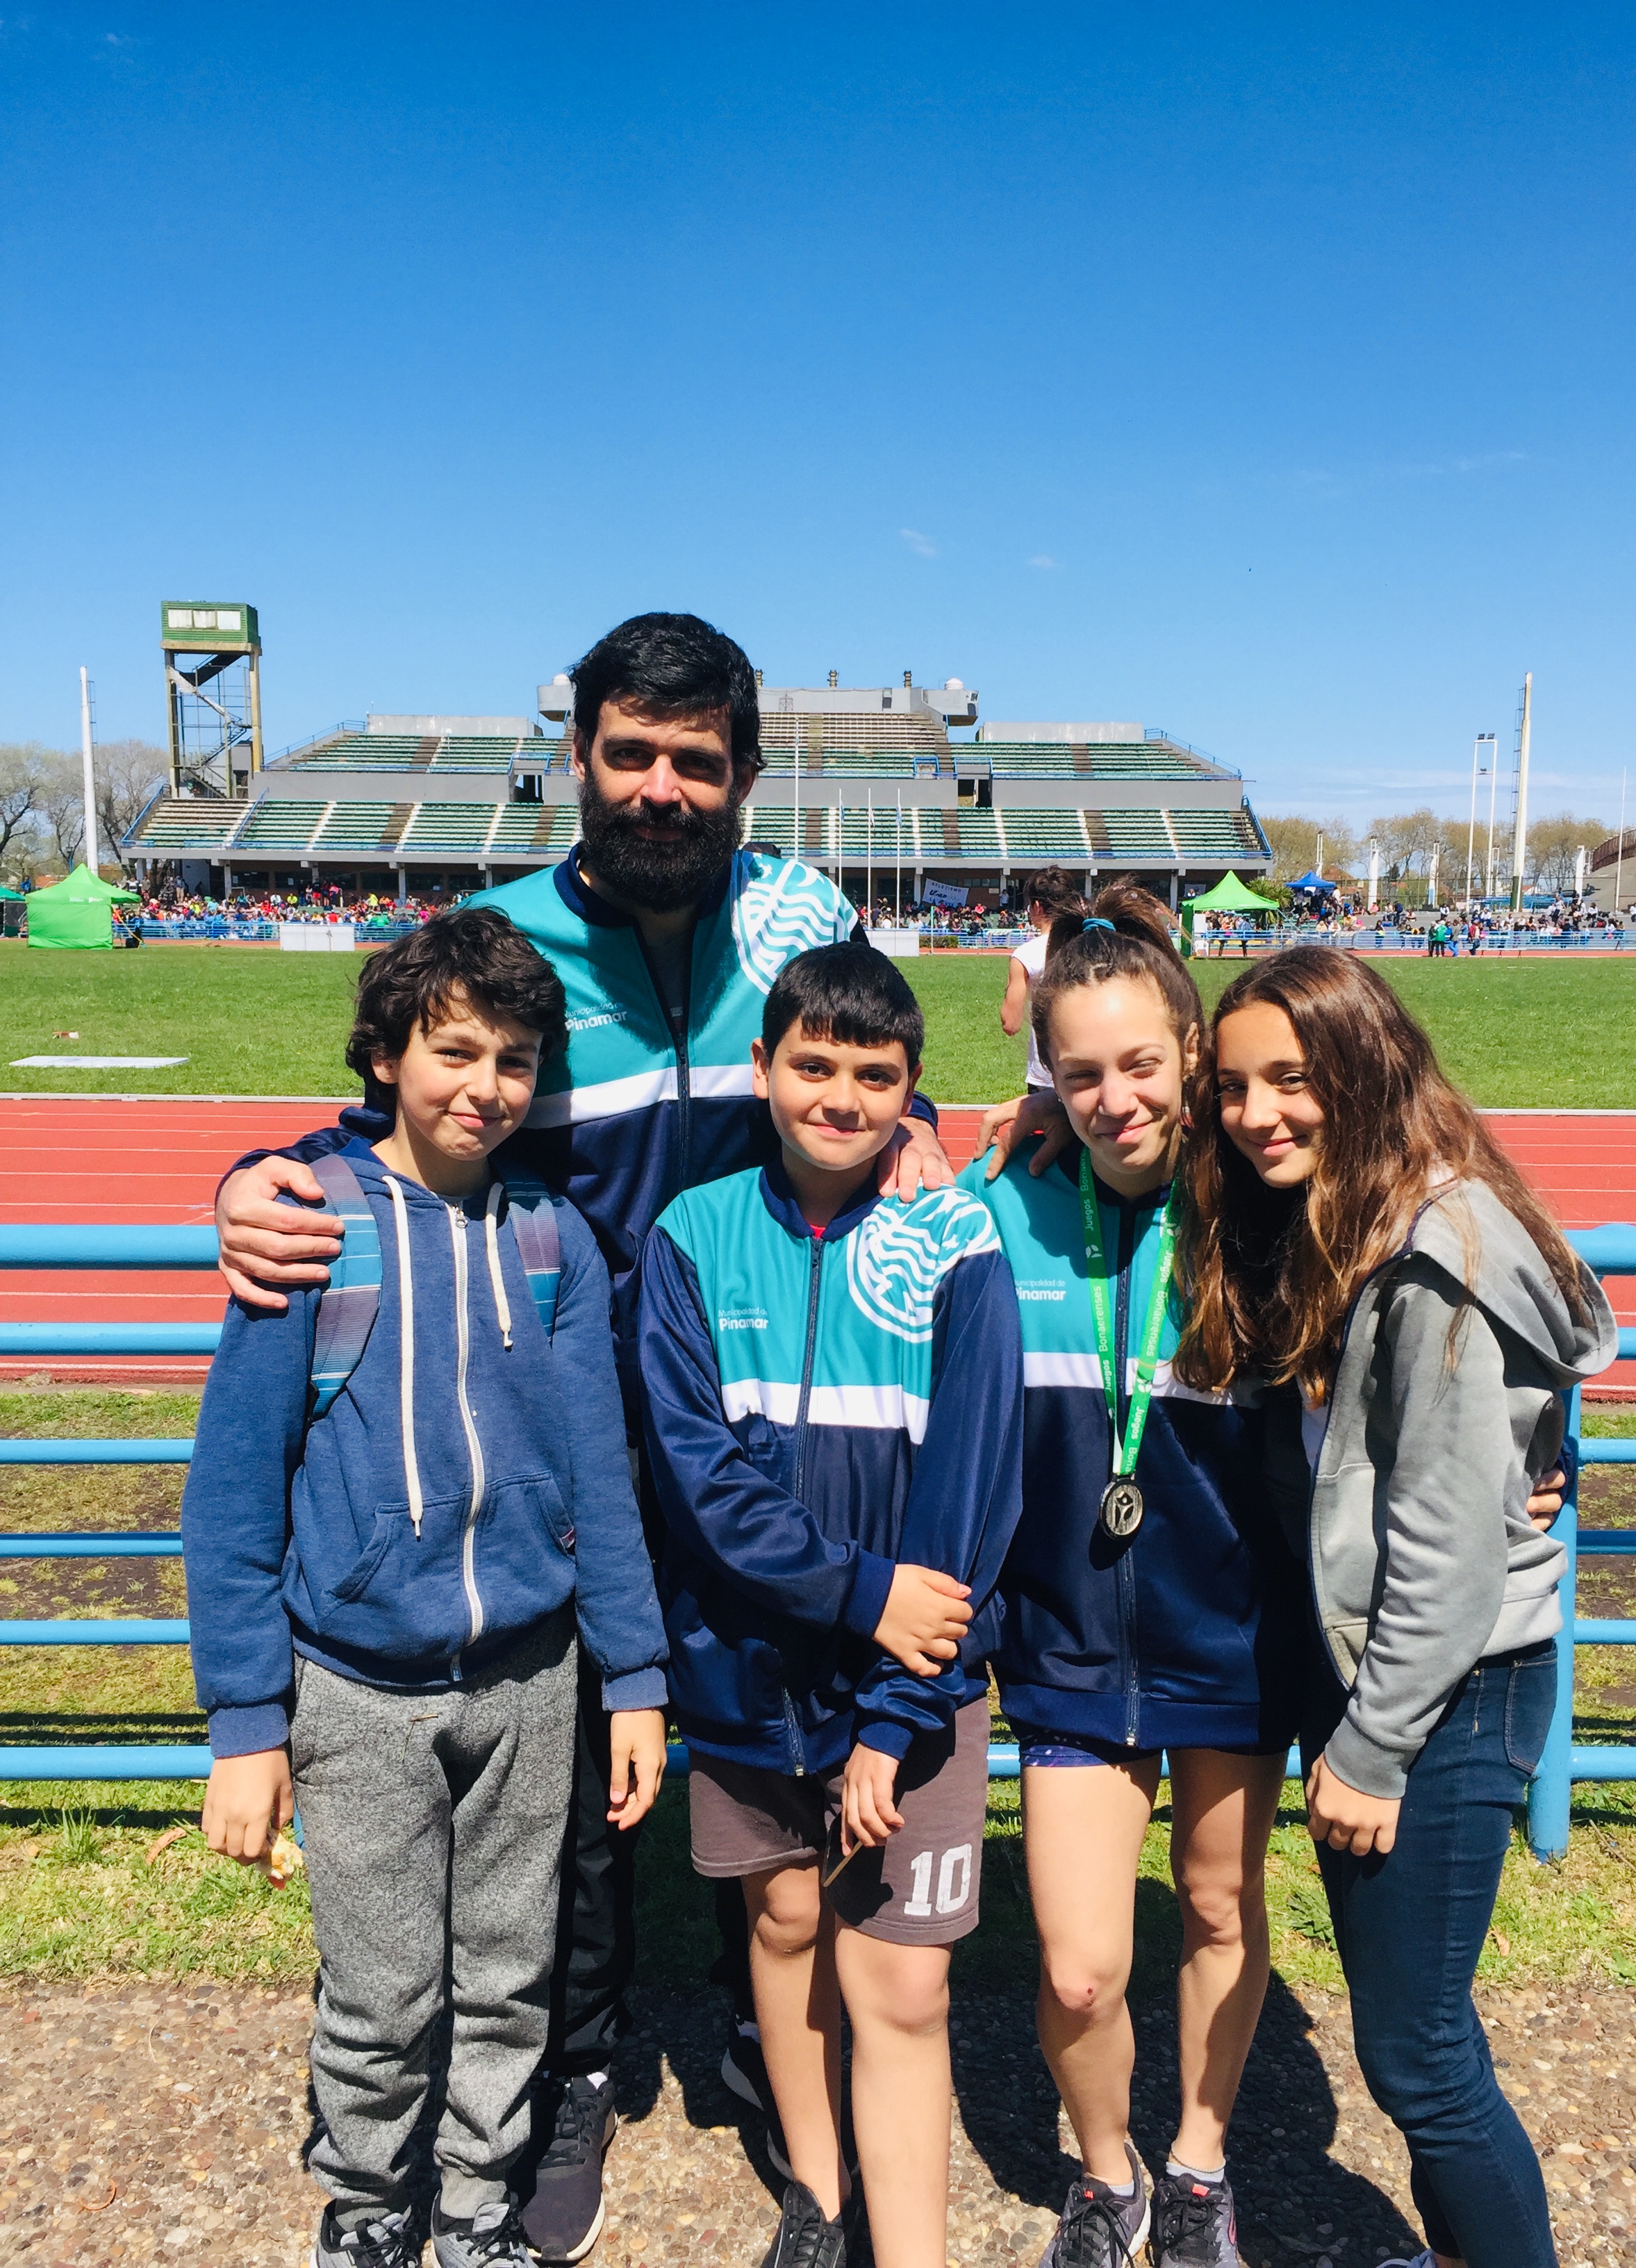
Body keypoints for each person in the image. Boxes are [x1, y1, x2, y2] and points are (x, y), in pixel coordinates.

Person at [209, 614, 952, 2261]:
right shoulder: (508, 932)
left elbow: (882, 1090)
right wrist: (250, 1177)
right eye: (631, 753)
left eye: (696, 759)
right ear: (582, 760)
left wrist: (977, 1133)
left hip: (774, 1429)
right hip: (577, 1436)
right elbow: (399, 1114)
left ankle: (791, 2088)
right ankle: (561, 2085)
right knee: (576, 1804)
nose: (662, 787)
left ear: (746, 774)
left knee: (797, 1739)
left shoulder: (802, 916)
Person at [183, 910, 670, 2268]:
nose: (486, 1086)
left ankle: (473, 2216)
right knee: (386, 1995)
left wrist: (631, 1680)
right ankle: (368, 2210)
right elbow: (231, 1498)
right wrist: (244, 1728)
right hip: (358, 1696)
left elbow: (598, 1479)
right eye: (454, 1050)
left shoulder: (551, 1240)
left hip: (529, 1685)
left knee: (511, 1982)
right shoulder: (312, 1226)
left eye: (515, 1060)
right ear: (387, 1056)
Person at [1175, 948, 1615, 2268]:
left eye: (1290, 1079)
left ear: (1361, 1068)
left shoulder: (1436, 1247)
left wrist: (1369, 1749)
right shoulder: (1351, 1214)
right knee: (1415, 2028)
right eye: (1236, 1085)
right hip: (1388, 1668)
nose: (1257, 1112)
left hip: (1443, 1688)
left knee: (1415, 2055)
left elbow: (1441, 1534)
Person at [638, 942, 1024, 2268]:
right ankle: (817, 2191)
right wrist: (859, 1591)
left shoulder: (953, 1237)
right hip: (743, 1667)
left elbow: (969, 1495)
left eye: (875, 1075)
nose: (840, 1097)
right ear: (761, 1066)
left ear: (912, 1089)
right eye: (813, 1065)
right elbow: (700, 1481)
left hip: (908, 1692)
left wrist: (894, 1702)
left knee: (901, 1979)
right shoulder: (690, 1233)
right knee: (786, 1918)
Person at [961, 886, 1306, 2268]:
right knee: (1076, 1965)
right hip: (1067, 1649)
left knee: (1222, 1905)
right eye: (1082, 1072)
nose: (1115, 1101)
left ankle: (1202, 2164)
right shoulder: (998, 1209)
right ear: (1049, 1072)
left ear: (1191, 1053)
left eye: (1143, 1065)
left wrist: (1532, 1452)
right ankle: (1110, 2178)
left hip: (1232, 1636)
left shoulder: (1268, 1210)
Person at [1001, 866, 1082, 1095]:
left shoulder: (1026, 956)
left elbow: (1011, 1024)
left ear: (1037, 907)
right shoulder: (1092, 945)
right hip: (1091, 1069)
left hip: (1046, 1075)